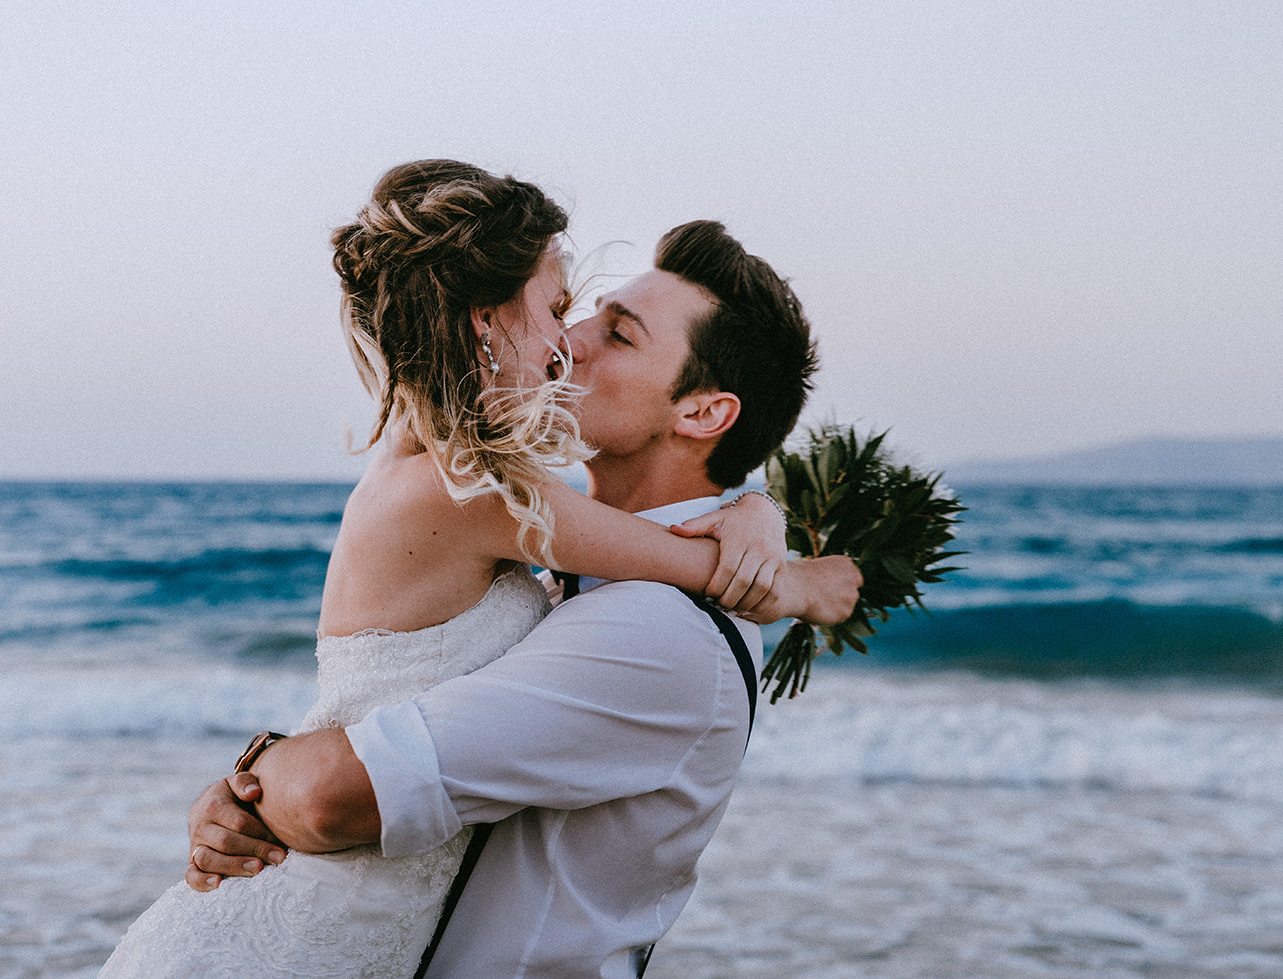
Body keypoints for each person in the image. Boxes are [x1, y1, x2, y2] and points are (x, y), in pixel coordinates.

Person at [99, 165, 854, 977]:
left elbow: (328, 796)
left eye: (619, 332)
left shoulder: (660, 628)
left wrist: (262, 781)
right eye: (576, 311)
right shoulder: (525, 530)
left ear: (703, 412)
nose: (574, 340)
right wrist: (257, 780)